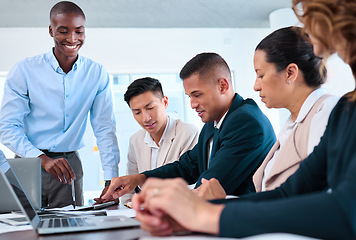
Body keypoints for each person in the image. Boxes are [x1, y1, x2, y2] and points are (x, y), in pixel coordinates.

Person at [131, 0, 356, 239]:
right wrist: (193, 212)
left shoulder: (255, 120)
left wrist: (204, 215)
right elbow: (287, 193)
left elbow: (345, 210)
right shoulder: (345, 110)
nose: (319, 51)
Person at [102, 53, 276, 201]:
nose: (192, 104)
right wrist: (139, 178)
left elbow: (210, 184)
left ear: (223, 86)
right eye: (189, 97)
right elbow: (187, 166)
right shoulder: (213, 122)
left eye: (197, 95)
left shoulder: (245, 121)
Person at [0, 1, 120, 208]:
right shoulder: (25, 70)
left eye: (79, 32)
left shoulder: (96, 73)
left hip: (68, 168)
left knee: (70, 229)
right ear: (51, 30)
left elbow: (105, 129)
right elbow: (7, 127)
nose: (72, 39)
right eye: (63, 31)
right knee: (22, 229)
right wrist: (42, 158)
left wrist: (111, 179)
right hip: (28, 162)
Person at [198, 26, 340, 199]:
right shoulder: (291, 125)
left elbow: (318, 201)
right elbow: (274, 197)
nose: (256, 86)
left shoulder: (326, 113)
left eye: (261, 75)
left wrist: (224, 204)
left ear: (290, 73)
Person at [120, 77, 199, 203]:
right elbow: (129, 189)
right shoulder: (135, 140)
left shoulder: (188, 133)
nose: (145, 118)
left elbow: (188, 183)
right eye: (137, 112)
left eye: (150, 108)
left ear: (165, 102)